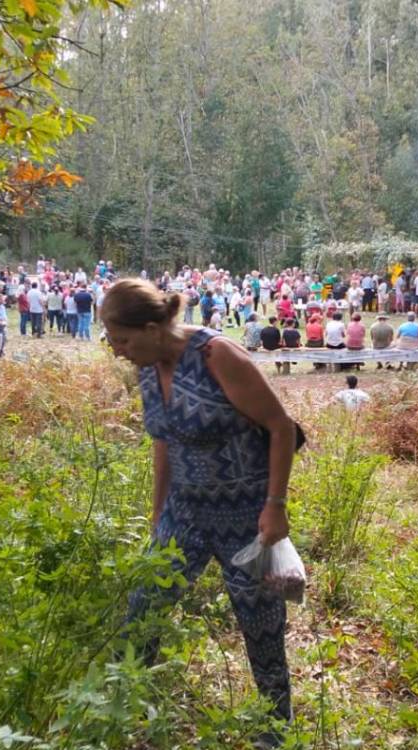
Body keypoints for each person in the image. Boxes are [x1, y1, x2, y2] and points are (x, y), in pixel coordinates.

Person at [101, 280, 296, 738]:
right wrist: (157, 515)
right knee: (142, 608)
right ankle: (116, 710)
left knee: (261, 624)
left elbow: (281, 427)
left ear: (152, 328)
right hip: (184, 511)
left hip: (246, 516)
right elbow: (163, 442)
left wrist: (276, 506)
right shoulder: (147, 365)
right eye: (111, 343)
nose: (118, 352)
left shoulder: (217, 356)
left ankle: (276, 729)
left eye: (123, 341)